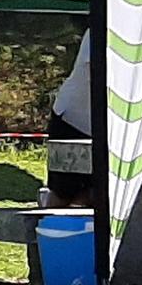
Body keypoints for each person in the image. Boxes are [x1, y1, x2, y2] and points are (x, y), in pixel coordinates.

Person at [46, 29, 94, 207]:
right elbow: (94, 70)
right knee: (63, 195)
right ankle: (45, 231)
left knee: (94, 196)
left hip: (108, 129)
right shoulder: (105, 22)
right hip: (71, 119)